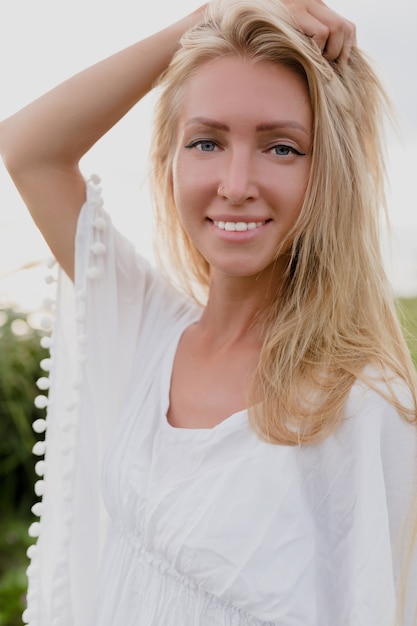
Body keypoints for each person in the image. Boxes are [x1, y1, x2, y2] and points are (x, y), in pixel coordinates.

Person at [1, 0, 416, 624]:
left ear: (330, 173)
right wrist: (205, 18)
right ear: (170, 160)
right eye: (206, 141)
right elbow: (28, 150)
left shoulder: (360, 401)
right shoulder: (149, 329)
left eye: (282, 148)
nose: (235, 182)